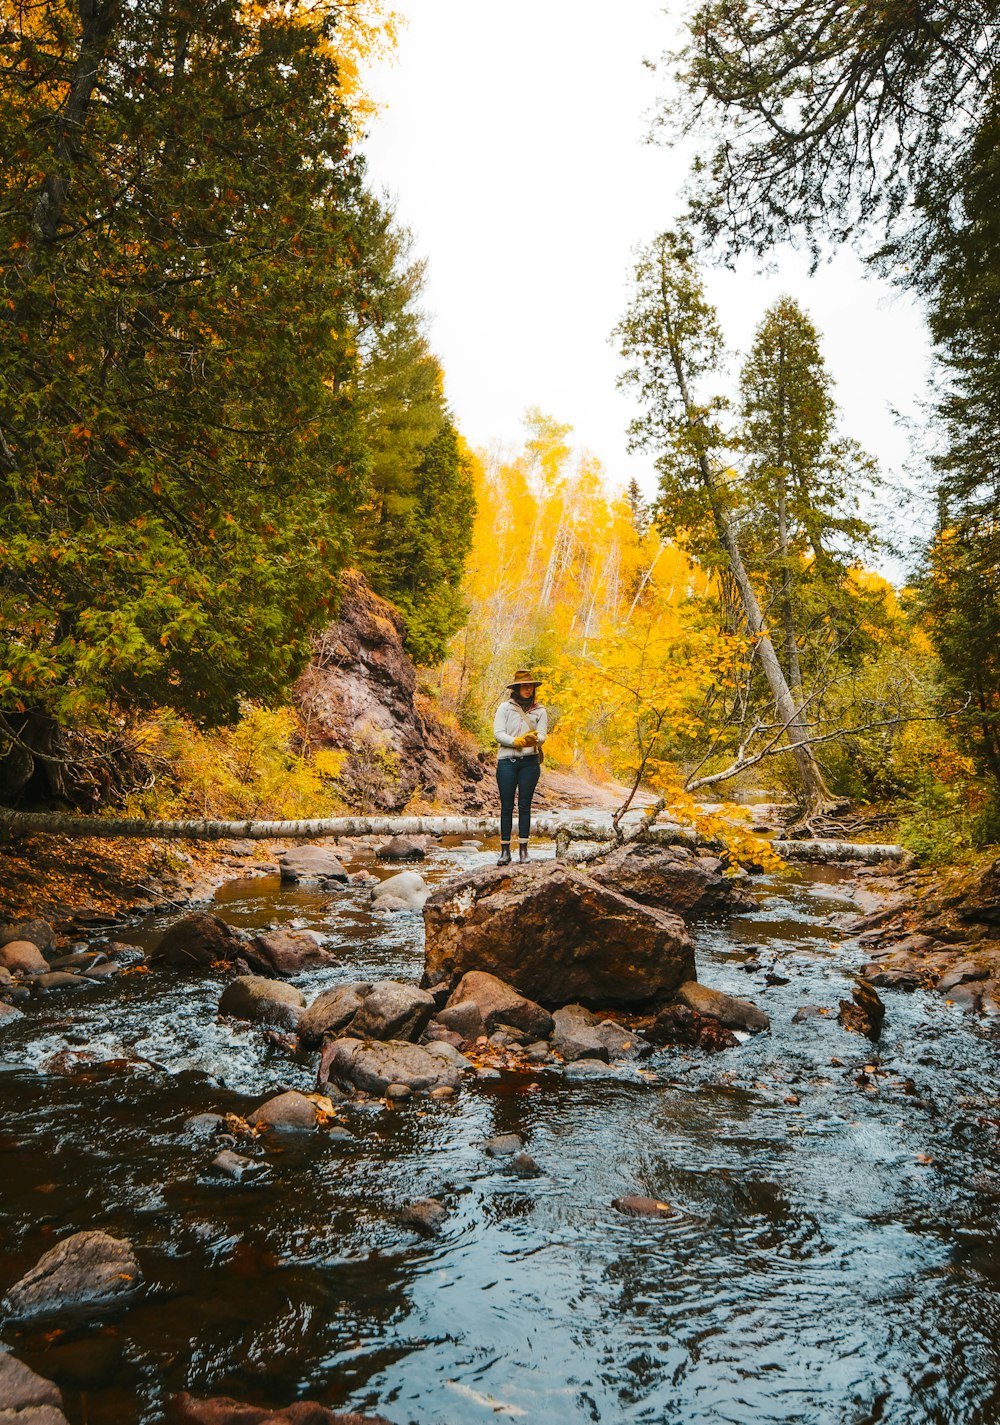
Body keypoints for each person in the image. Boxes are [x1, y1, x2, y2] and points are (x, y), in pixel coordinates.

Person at [493, 668, 547, 866]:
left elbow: (542, 735)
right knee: (506, 807)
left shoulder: (540, 710)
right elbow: (498, 734)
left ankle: (523, 851)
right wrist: (517, 742)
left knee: (525, 806)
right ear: (516, 688)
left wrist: (534, 740)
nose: (528, 689)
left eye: (530, 685)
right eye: (524, 686)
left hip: (530, 763)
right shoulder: (504, 708)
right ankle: (505, 851)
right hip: (507, 762)